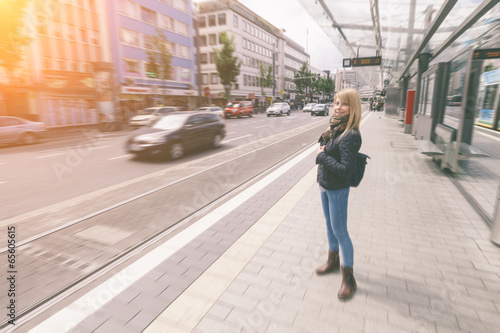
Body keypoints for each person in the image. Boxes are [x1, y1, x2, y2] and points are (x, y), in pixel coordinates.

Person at [315, 88, 362, 300]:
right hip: (325, 185)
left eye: (343, 104)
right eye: (335, 103)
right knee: (329, 226)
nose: (337, 107)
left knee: (340, 231)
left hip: (337, 190)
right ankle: (333, 261)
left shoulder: (350, 135)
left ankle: (348, 278)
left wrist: (322, 157)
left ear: (352, 108)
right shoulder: (336, 128)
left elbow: (345, 169)